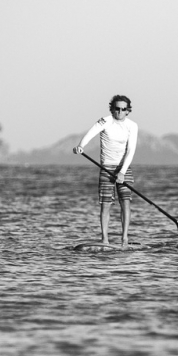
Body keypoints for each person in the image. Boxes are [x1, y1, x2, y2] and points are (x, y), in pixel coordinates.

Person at [73, 95, 139, 247]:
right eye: (117, 109)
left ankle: (124, 239)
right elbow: (90, 134)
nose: (120, 112)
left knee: (126, 203)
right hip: (106, 168)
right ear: (112, 109)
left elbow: (131, 151)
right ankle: (105, 240)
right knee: (105, 204)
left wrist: (122, 172)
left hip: (124, 168)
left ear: (128, 111)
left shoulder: (132, 126)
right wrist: (80, 146)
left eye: (123, 109)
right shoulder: (105, 121)